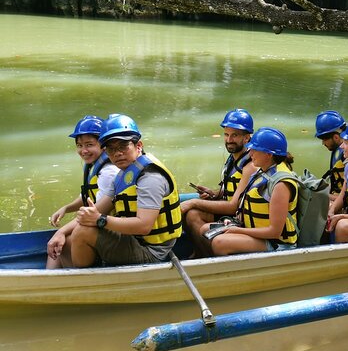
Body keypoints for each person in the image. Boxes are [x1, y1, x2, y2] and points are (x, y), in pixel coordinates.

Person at [65, 114, 183, 267]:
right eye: (111, 149)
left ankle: (84, 281)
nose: (117, 153)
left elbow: (143, 226)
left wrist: (100, 219)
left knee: (82, 233)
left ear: (138, 145)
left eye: (123, 146)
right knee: (73, 235)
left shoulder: (150, 178)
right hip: (133, 239)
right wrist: (80, 220)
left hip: (151, 251)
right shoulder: (124, 173)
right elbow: (102, 207)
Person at [209, 127, 299, 255]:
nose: (250, 154)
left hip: (277, 244)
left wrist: (238, 231)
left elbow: (274, 232)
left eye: (255, 150)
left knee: (220, 242)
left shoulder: (280, 184)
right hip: (257, 233)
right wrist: (234, 223)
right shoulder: (262, 171)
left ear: (269, 154)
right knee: (207, 230)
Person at [46, 115, 120, 268]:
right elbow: (87, 195)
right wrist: (67, 208)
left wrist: (61, 232)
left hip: (116, 227)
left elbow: (98, 208)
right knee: (60, 239)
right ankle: (50, 278)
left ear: (103, 145)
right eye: (79, 145)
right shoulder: (94, 165)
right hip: (99, 222)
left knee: (65, 241)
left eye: (89, 144)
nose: (83, 150)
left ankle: (65, 280)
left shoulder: (109, 171)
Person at [181, 109, 256, 257]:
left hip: (238, 217)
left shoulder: (250, 165)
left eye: (235, 135)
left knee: (192, 212)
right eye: (226, 134)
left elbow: (232, 206)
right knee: (192, 214)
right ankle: (200, 253)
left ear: (247, 138)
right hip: (230, 212)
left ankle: (206, 257)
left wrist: (193, 203)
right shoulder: (233, 158)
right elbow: (232, 191)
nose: (229, 140)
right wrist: (215, 193)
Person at [314, 110, 347, 201]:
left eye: (324, 139)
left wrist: (320, 195)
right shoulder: (338, 150)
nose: (323, 143)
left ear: (336, 137)